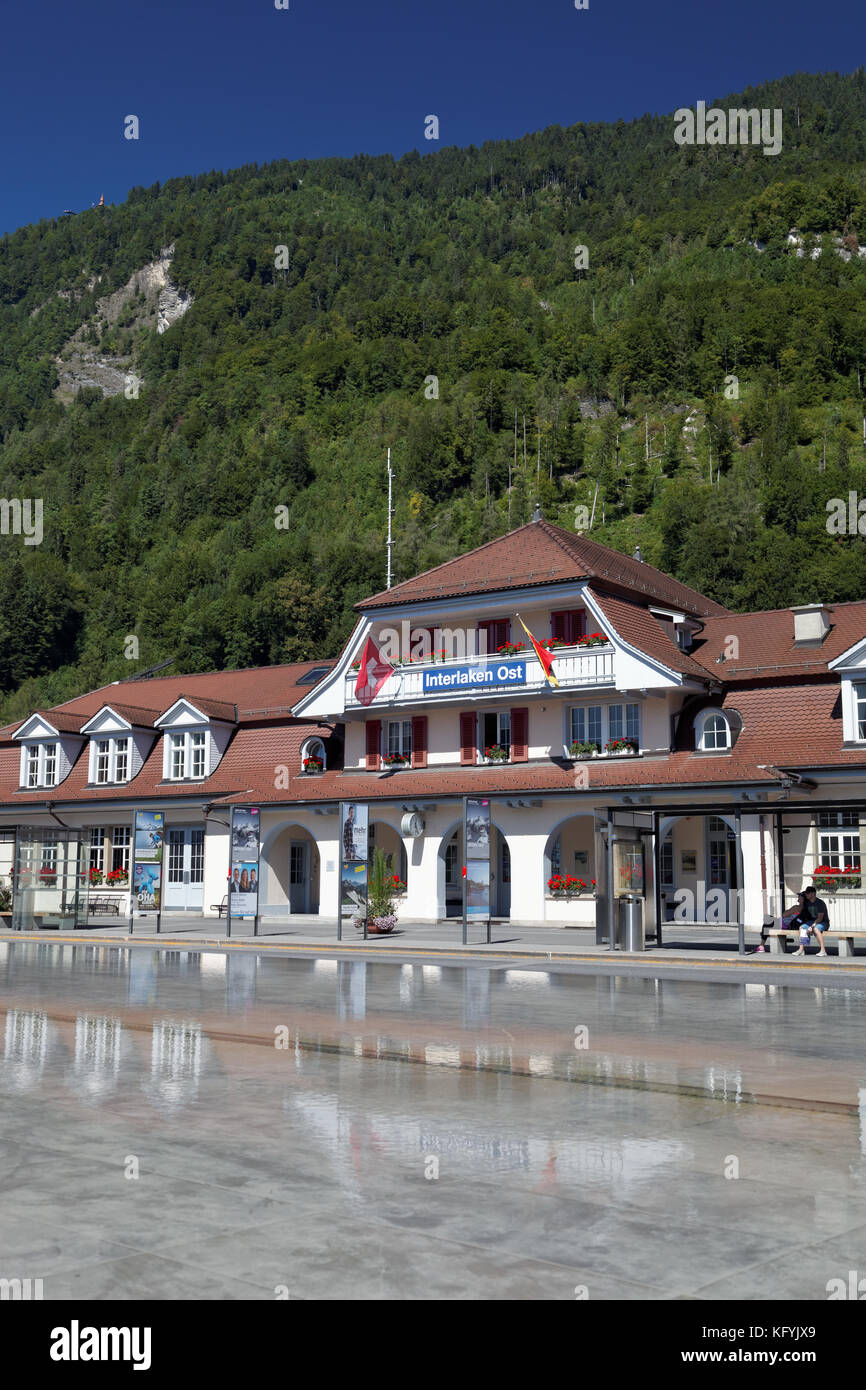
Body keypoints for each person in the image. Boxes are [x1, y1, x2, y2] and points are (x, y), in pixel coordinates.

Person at [799, 884, 830, 958]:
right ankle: (802, 950)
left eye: (808, 893)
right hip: (812, 921)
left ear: (813, 894)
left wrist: (811, 927)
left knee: (816, 929)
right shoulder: (807, 903)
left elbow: (820, 918)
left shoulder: (820, 903)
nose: (806, 895)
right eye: (806, 893)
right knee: (802, 928)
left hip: (823, 922)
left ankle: (823, 951)